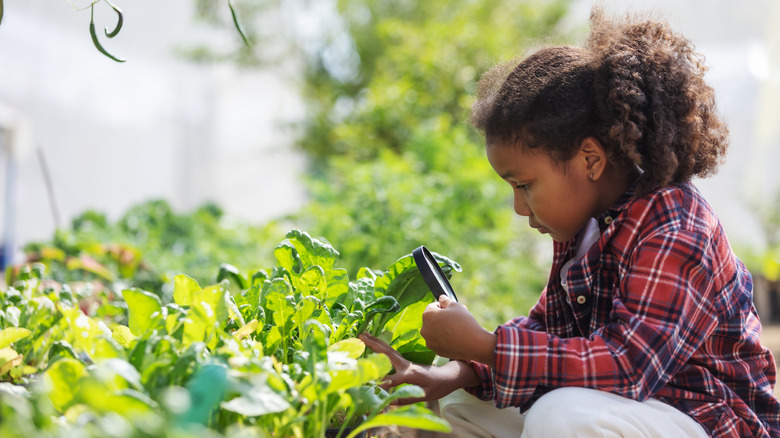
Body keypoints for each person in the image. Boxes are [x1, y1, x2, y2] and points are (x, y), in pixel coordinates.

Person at [359, 7, 780, 438]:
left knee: (561, 416)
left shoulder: (675, 225)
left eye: (524, 185)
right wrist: (463, 370)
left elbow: (628, 366)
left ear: (590, 160)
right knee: (458, 399)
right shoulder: (588, 228)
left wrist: (487, 346)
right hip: (634, 412)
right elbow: (548, 331)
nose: (520, 208)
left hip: (707, 420)